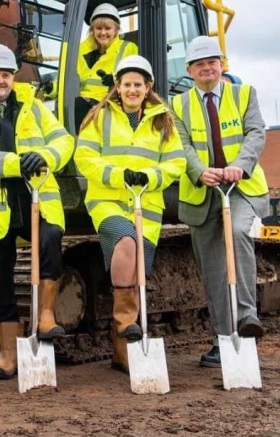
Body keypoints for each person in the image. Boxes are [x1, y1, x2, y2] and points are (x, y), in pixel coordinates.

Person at [0, 44, 74, 380]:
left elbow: (64, 140)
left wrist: (46, 156)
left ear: (13, 77)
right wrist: (15, 162)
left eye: (5, 74)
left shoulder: (34, 108)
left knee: (50, 238)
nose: (0, 80)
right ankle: (7, 352)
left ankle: (45, 315)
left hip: (37, 199)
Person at [74, 55, 186, 373]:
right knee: (125, 242)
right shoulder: (99, 117)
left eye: (138, 84)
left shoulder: (162, 121)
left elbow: (176, 161)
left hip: (147, 206)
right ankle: (125, 323)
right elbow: (84, 156)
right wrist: (117, 175)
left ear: (147, 87)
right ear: (118, 87)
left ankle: (122, 352)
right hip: (108, 201)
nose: (132, 89)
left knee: (138, 271)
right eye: (127, 84)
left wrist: (151, 178)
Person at [171, 36, 269, 369]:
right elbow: (180, 145)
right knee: (212, 268)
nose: (206, 68)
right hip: (202, 193)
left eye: (212, 62)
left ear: (222, 64)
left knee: (239, 233)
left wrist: (239, 166)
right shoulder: (178, 105)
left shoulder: (244, 95)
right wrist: (199, 172)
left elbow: (256, 132)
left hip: (240, 188)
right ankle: (222, 339)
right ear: (189, 70)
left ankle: (247, 317)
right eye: (199, 64)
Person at [74, 3, 139, 130]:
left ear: (116, 30)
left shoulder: (128, 48)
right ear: (92, 30)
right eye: (98, 28)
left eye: (108, 29)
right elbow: (69, 76)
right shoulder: (80, 50)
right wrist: (51, 88)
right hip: (84, 99)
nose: (103, 33)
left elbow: (135, 75)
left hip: (113, 100)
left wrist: (115, 79)